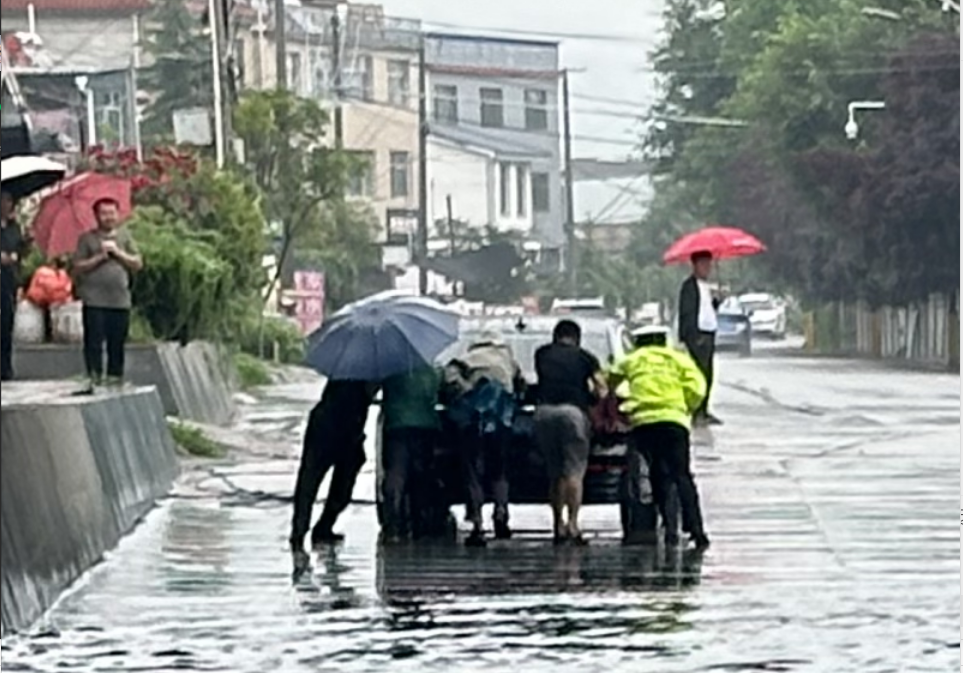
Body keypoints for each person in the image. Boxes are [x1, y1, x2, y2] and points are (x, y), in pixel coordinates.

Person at [611, 325, 710, 550]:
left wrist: (624, 407)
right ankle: (696, 529)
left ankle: (663, 518)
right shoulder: (679, 359)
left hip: (643, 423)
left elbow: (612, 381)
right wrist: (687, 407)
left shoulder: (632, 359)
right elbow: (698, 387)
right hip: (674, 422)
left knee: (652, 471)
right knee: (682, 475)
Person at [443, 331, 524, 547]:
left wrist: (466, 390)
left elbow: (449, 377)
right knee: (499, 471)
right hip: (500, 424)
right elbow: (521, 387)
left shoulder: (466, 360)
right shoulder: (508, 360)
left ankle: (477, 523)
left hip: (472, 423)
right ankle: (501, 514)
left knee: (473, 472)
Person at [534, 320, 607, 545]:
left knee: (555, 473)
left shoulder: (541, 354)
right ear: (577, 337)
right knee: (574, 472)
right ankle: (573, 525)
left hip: (544, 414)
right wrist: (593, 399)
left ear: (555, 336)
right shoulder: (586, 357)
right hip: (573, 414)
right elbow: (602, 389)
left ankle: (558, 525)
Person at [291, 380, 377, 556]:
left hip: (341, 428)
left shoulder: (352, 370)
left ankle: (317, 528)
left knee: (325, 484)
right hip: (332, 428)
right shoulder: (363, 373)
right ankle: (302, 530)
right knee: (313, 482)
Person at [72, 198, 142, 386]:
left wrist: (117, 253)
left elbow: (137, 263)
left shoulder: (125, 237)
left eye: (112, 213)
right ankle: (93, 376)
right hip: (94, 300)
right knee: (93, 342)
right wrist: (100, 257)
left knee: (117, 343)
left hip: (119, 300)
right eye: (104, 213)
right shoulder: (87, 239)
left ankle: (115, 377)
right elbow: (77, 267)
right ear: (96, 215)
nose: (108, 217)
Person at [381, 365, 442, 542]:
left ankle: (392, 524)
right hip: (426, 427)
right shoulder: (432, 371)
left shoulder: (390, 370)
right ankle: (420, 523)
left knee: (396, 474)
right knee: (421, 475)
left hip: (397, 426)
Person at [678, 250, 722, 425]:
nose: (707, 268)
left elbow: (708, 309)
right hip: (697, 336)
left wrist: (717, 301)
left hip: (709, 333)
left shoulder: (706, 286)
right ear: (695, 265)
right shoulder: (689, 286)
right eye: (704, 264)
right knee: (699, 375)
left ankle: (704, 409)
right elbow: (687, 312)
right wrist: (690, 337)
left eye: (709, 265)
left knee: (709, 374)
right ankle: (696, 411)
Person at [1, 191, 27, 381]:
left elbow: (19, 251)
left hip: (9, 281)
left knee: (6, 324)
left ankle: (5, 367)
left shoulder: (14, 228)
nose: (5, 204)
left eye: (9, 200)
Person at [25, 256, 73, 341]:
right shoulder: (44, 272)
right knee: (50, 308)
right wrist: (61, 288)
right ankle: (49, 332)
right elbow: (51, 286)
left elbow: (66, 287)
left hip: (52, 298)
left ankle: (52, 332)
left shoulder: (61, 273)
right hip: (40, 297)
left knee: (56, 307)